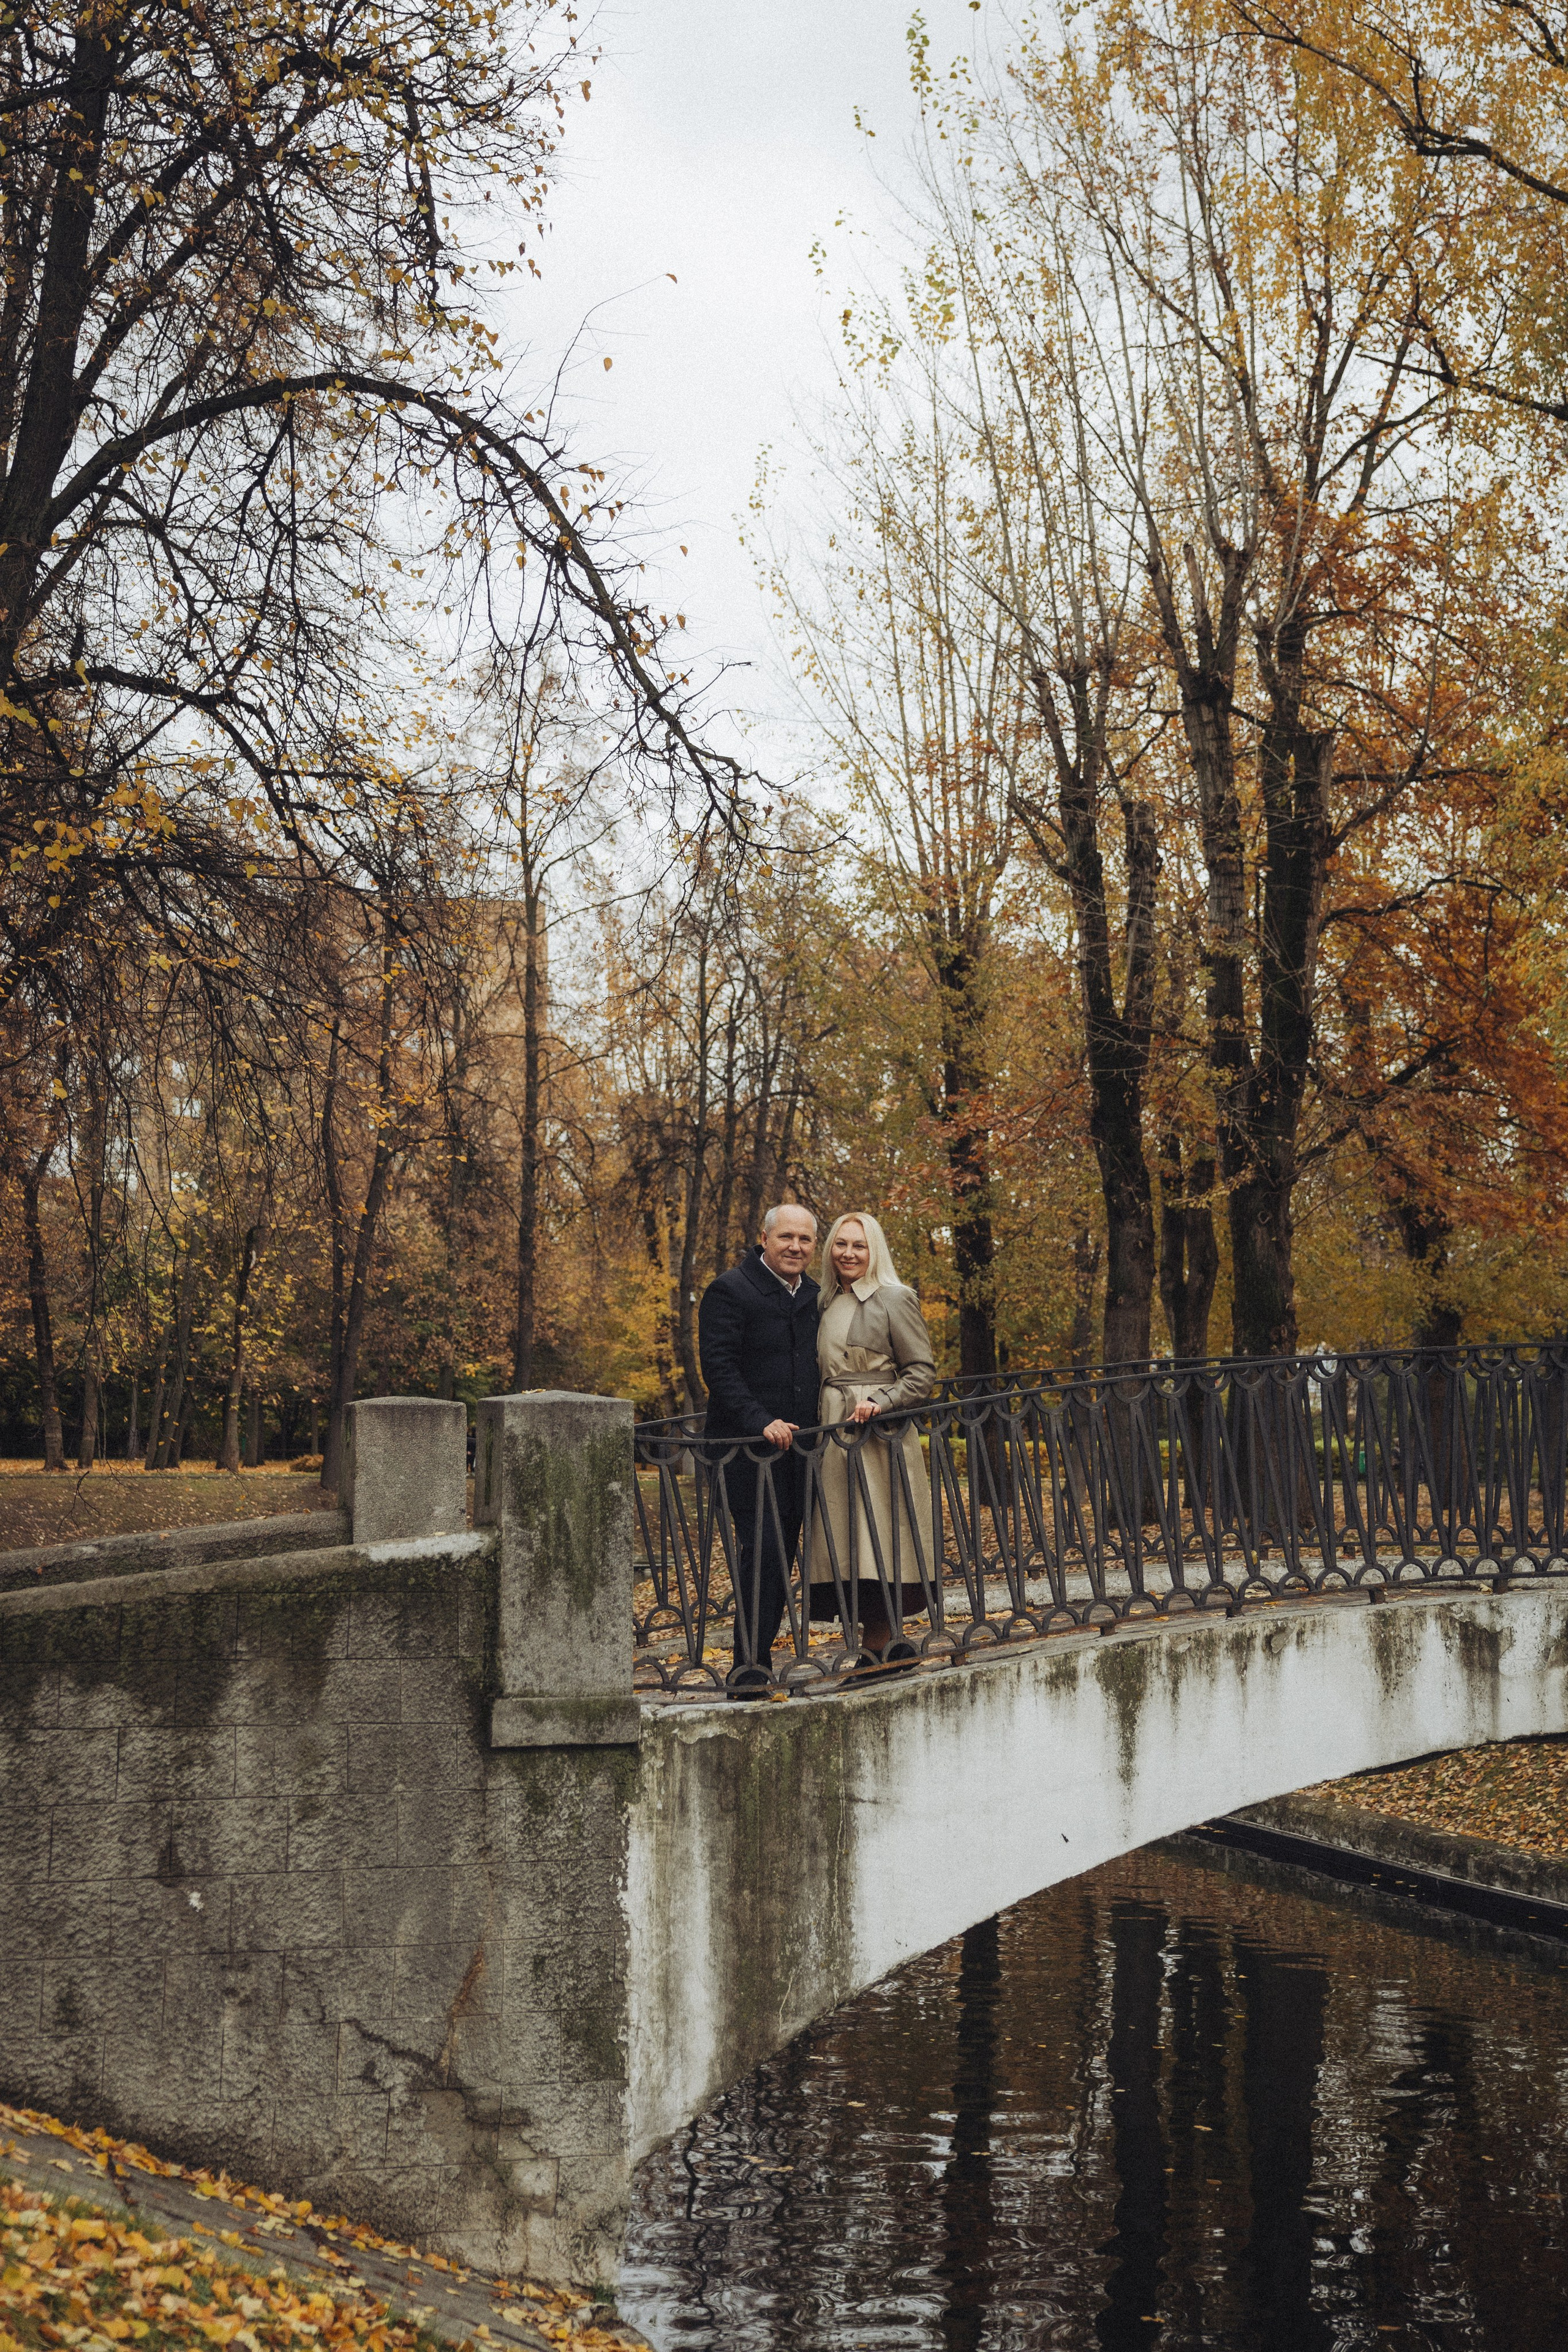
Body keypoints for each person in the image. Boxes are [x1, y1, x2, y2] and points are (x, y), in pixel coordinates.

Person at [696, 1203, 821, 1692]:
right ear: (764, 1239)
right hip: (747, 1452)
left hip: (801, 1451)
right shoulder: (730, 1290)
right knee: (763, 1551)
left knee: (785, 1552)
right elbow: (719, 1369)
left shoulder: (814, 1294)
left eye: (805, 1240)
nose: (796, 1247)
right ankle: (749, 1666)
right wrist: (760, 1421)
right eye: (786, 1237)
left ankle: (761, 1656)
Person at [813, 1211, 937, 1663]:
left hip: (877, 1439)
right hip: (834, 1438)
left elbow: (921, 1373)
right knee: (846, 1542)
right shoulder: (825, 1302)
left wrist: (882, 1401)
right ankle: (876, 1648)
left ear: (875, 1251)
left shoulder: (895, 1298)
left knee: (881, 1537)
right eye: (841, 1244)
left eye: (859, 1246)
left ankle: (883, 1648)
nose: (848, 1253)